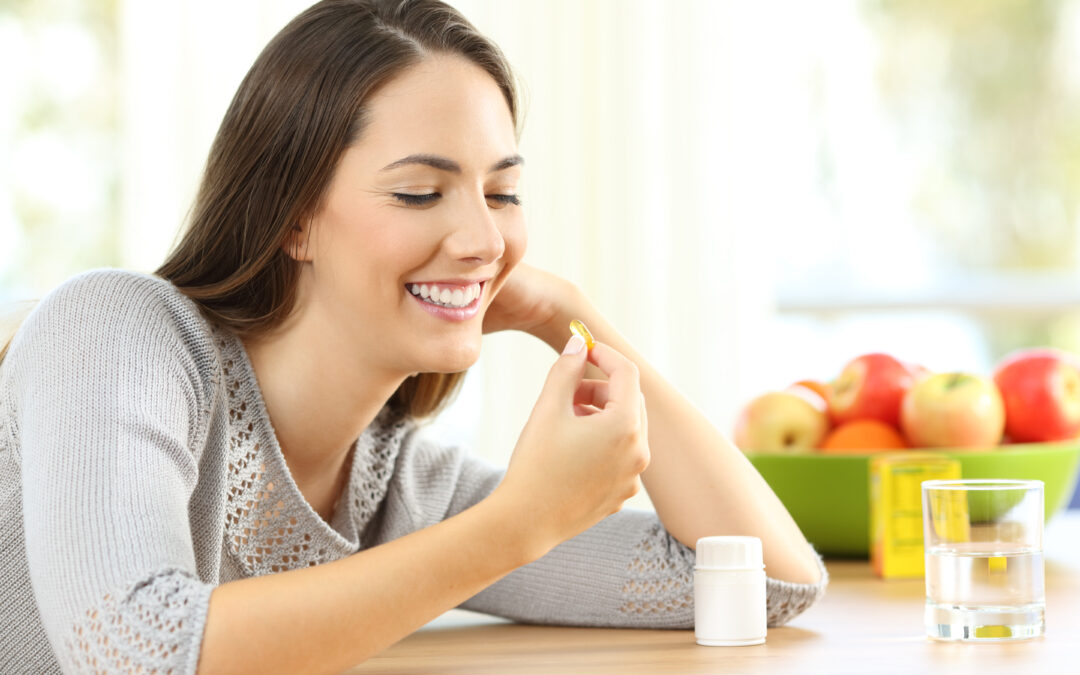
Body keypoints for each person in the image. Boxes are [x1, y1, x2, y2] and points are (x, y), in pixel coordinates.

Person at [0, 1, 828, 672]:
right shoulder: (111, 332)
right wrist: (516, 524)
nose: (483, 238)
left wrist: (567, 314)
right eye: (420, 194)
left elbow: (767, 582)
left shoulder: (399, 490)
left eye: (502, 194)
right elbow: (131, 650)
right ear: (293, 219)